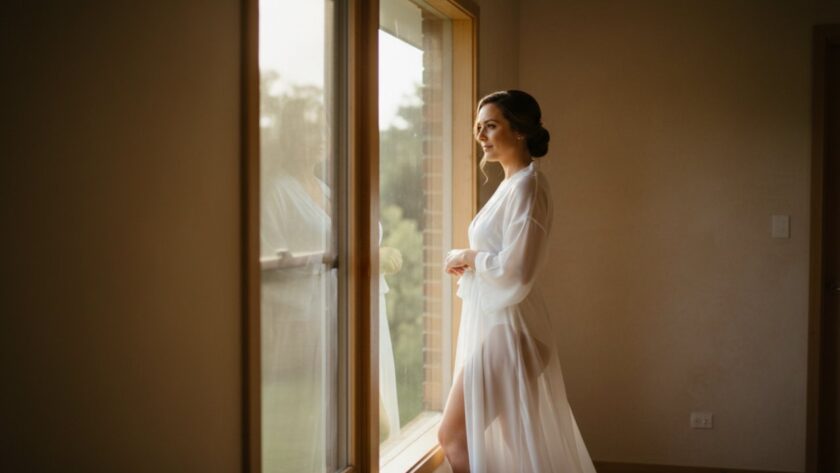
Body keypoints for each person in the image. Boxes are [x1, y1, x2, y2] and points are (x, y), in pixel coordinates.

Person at [439, 90, 597, 473]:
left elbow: (518, 270)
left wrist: (469, 257)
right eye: (479, 128)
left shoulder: (528, 185)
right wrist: (470, 259)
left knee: (453, 436)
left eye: (491, 126)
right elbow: (506, 254)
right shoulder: (511, 185)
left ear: (521, 131)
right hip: (505, 330)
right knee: (519, 449)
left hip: (512, 332)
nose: (481, 136)